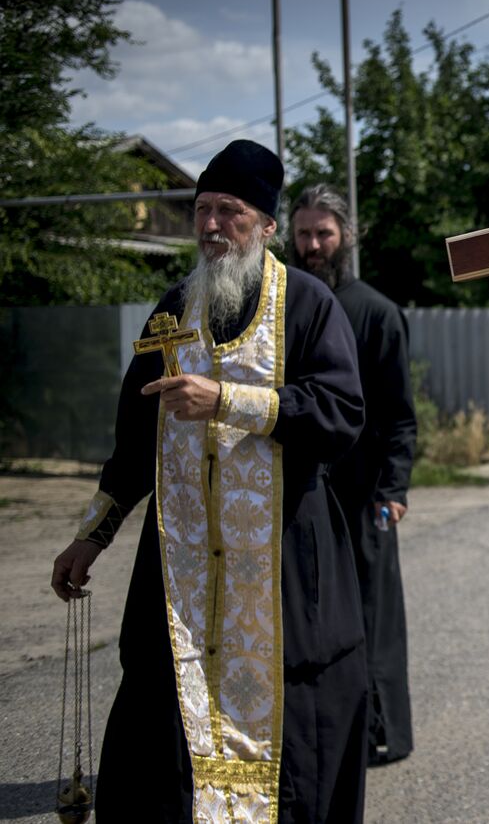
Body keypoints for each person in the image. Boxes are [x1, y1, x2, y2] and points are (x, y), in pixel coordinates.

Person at [50, 140, 369, 824]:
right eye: (202, 210)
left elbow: (342, 413)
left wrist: (226, 400)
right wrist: (91, 537)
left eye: (230, 211)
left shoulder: (310, 306)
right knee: (162, 736)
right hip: (181, 573)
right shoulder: (172, 311)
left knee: (294, 739)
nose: (212, 226)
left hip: (282, 564)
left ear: (267, 226)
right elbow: (133, 444)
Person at [287, 185, 417, 766]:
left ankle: (379, 732)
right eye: (304, 233)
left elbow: (398, 415)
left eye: (324, 234)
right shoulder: (281, 308)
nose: (312, 245)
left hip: (363, 494)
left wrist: (393, 489)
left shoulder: (376, 312)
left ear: (345, 238)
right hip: (298, 493)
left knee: (371, 614)